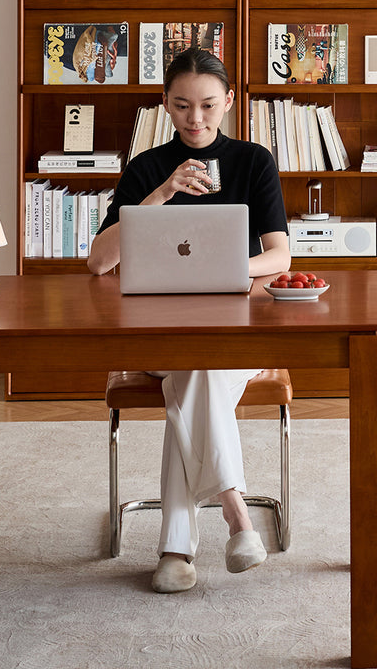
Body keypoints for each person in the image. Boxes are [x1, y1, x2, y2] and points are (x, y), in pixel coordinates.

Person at [88, 48, 291, 594]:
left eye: (206, 105)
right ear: (166, 105)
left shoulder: (253, 161)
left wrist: (222, 268)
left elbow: (280, 257)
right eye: (181, 106)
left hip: (232, 330)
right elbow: (99, 261)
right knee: (192, 367)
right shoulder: (147, 168)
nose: (195, 119)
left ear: (228, 101)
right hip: (157, 332)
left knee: (193, 375)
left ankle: (176, 549)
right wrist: (163, 193)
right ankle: (236, 516)